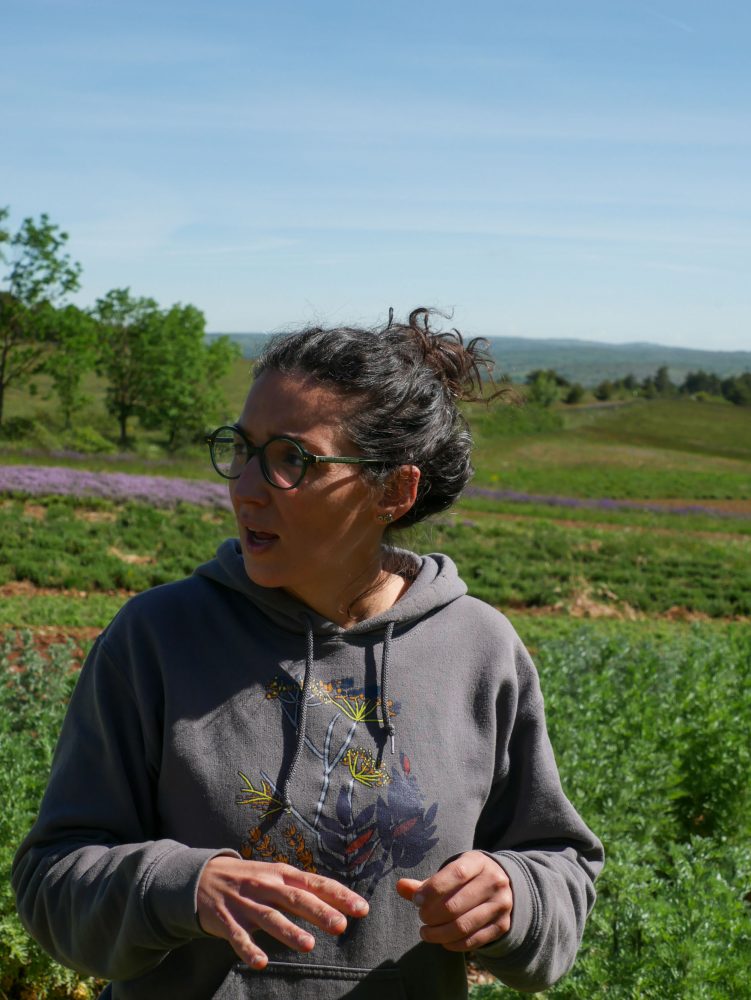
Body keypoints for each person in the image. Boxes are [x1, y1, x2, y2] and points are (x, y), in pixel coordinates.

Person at [13, 308, 603, 999]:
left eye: (293, 458)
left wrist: (515, 898)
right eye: (243, 448)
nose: (245, 487)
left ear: (393, 490)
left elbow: (556, 863)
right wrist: (182, 886)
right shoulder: (158, 637)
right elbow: (52, 881)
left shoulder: (477, 649)